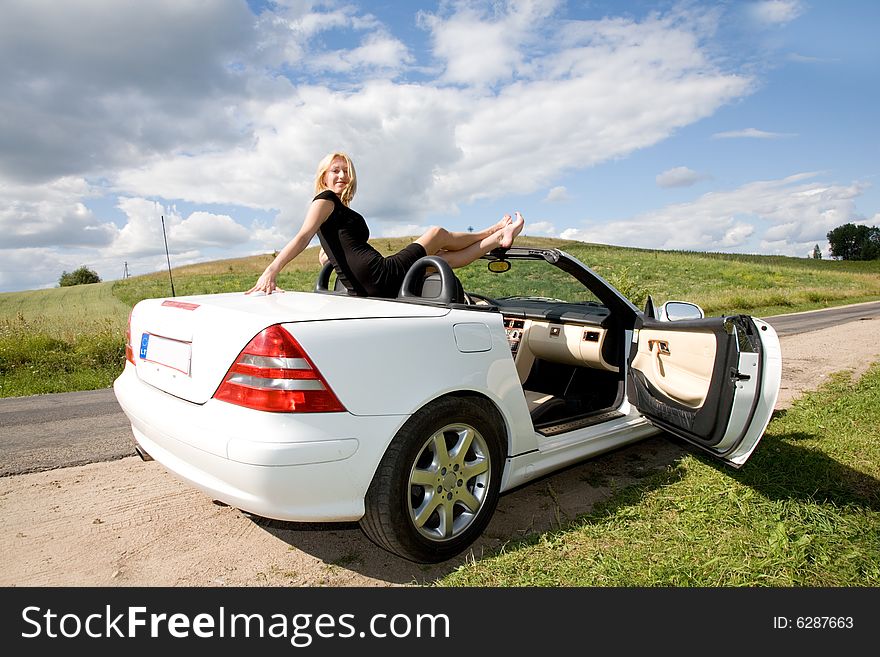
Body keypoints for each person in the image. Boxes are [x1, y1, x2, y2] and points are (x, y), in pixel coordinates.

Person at [247, 151, 525, 297]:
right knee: (436, 234)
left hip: (370, 283)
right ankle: (493, 231)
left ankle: (495, 239)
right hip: (378, 274)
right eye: (335, 170)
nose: (342, 175)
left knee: (440, 259)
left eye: (346, 170)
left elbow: (331, 244)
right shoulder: (325, 199)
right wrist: (272, 270)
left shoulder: (337, 209)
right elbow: (303, 236)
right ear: (324, 177)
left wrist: (327, 255)